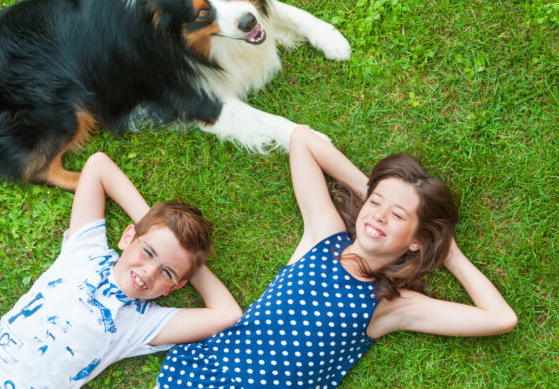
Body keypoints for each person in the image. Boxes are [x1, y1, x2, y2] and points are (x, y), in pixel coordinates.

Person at [156, 126, 517, 388]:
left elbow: (500, 318)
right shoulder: (323, 236)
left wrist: (448, 252)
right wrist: (378, 194)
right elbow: (303, 141)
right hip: (201, 378)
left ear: (416, 240)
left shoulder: (391, 304)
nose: (379, 216)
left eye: (398, 216)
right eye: (376, 204)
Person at [0, 152, 242, 389]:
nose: (149, 273)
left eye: (166, 274)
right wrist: (156, 227)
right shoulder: (85, 251)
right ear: (128, 236)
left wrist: (186, 267)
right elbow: (99, 165)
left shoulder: (142, 324)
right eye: (147, 252)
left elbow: (228, 314)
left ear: (174, 287)